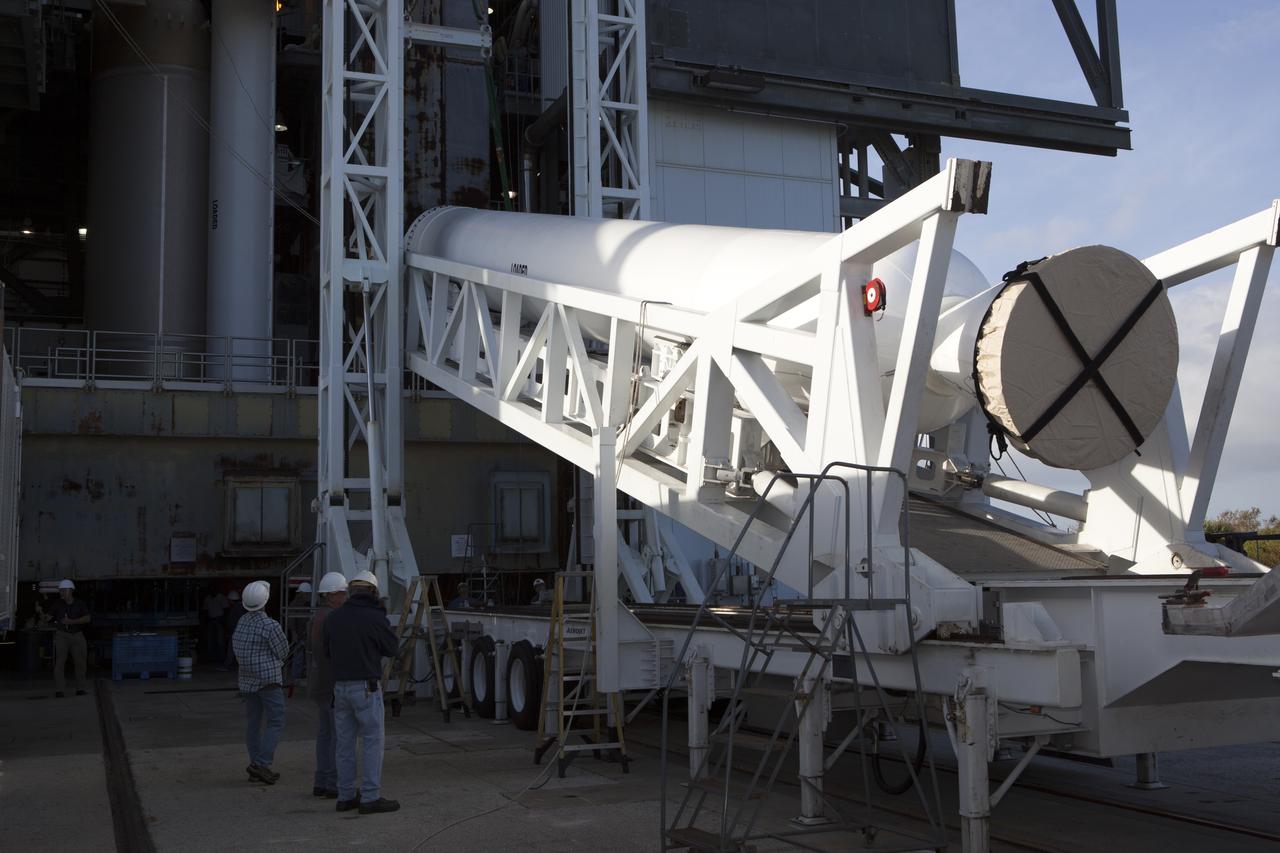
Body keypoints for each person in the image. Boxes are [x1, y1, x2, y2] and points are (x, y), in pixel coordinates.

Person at [323, 569, 400, 814]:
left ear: (350, 591)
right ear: (374, 592)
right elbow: (392, 648)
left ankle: (345, 796)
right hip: (365, 687)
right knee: (371, 742)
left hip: (340, 688)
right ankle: (370, 797)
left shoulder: (333, 618)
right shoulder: (374, 617)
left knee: (344, 745)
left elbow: (326, 653)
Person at [231, 580, 288, 785]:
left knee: (253, 724)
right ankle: (261, 764)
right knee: (276, 721)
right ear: (265, 600)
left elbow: (236, 648)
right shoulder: (270, 625)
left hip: (247, 681)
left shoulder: (242, 622)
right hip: (268, 681)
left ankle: (255, 763)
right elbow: (283, 651)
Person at [307, 572, 348, 799]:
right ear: (331, 595)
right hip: (332, 684)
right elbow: (333, 654)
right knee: (336, 736)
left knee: (324, 735)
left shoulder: (316, 617)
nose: (345, 596)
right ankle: (332, 784)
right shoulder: (333, 618)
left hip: (318, 684)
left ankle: (320, 781)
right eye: (342, 593)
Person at [49, 579, 90, 697]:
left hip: (77, 635)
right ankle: (59, 689)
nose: (61, 593)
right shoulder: (57, 604)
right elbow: (48, 616)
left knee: (80, 662)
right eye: (60, 591)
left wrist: (71, 621)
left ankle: (80, 688)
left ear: (71, 591)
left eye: (63, 590)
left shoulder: (80, 604)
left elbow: (87, 618)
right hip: (62, 635)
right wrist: (43, 615)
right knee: (60, 662)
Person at [288, 581, 313, 682]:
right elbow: (291, 621)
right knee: (298, 656)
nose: (308, 596)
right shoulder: (295, 604)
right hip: (299, 634)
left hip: (306, 634)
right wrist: (294, 634)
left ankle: (302, 675)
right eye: (306, 594)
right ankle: (296, 677)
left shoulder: (308, 604)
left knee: (305, 656)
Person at [220, 589, 246, 671]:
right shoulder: (240, 606)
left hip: (237, 632)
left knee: (231, 649)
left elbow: (235, 620)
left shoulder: (237, 608)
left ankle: (227, 666)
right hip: (239, 631)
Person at [202, 587, 229, 660]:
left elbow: (226, 610)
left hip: (219, 620)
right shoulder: (208, 598)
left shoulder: (221, 597)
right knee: (210, 640)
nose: (212, 591)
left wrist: (224, 622)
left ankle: (221, 657)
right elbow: (205, 611)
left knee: (220, 640)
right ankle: (211, 657)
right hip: (211, 620)